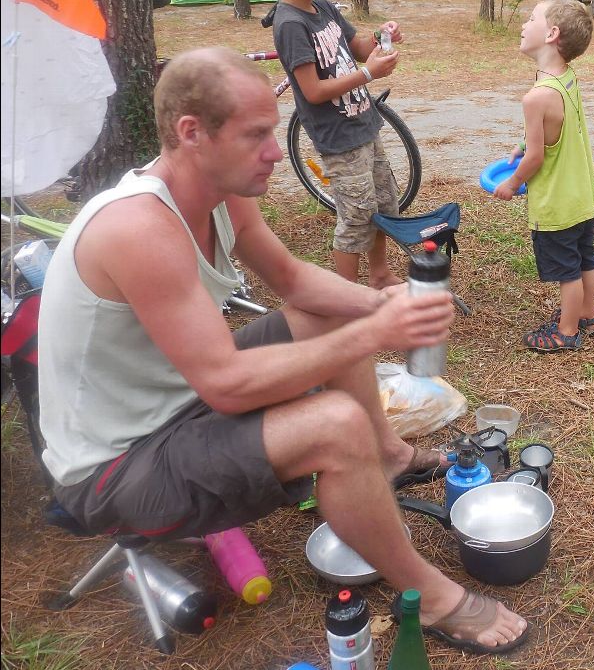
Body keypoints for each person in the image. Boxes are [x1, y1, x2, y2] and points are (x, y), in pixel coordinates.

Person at [36, 48, 528, 655]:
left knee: (332, 313)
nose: (277, 151)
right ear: (192, 133)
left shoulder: (219, 189)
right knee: (335, 426)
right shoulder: (137, 229)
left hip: (179, 405)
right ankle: (429, 597)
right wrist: (376, 333)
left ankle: (389, 457)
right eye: (256, 134)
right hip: (115, 469)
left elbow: (293, 280)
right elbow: (227, 384)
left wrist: (379, 306)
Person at [265, 0, 401, 289]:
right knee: (356, 214)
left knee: (382, 204)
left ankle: (379, 274)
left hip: (363, 123)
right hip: (338, 136)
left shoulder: (322, 8)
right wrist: (369, 75)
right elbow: (312, 91)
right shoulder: (290, 24)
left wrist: (380, 37)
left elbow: (355, 47)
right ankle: (347, 296)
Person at [493, 0, 594, 352]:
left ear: (551, 34)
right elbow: (554, 131)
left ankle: (567, 331)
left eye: (531, 18)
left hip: (557, 205)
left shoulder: (535, 97)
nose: (524, 24)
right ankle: (588, 315)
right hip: (582, 196)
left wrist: (512, 182)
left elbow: (537, 158)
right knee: (586, 258)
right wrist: (525, 143)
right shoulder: (566, 78)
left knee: (567, 271)